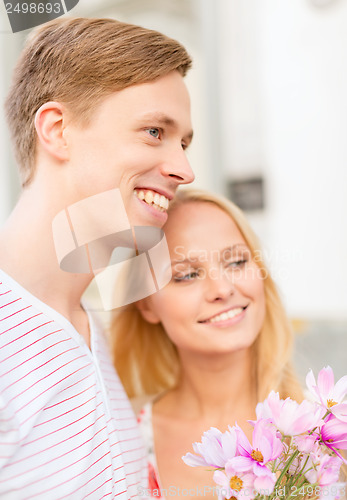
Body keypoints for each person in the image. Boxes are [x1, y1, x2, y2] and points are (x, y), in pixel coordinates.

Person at [0, 17, 194, 498]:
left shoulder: (90, 329)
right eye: (153, 131)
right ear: (57, 129)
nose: (185, 169)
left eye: (185, 142)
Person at [111, 188, 303, 498]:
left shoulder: (323, 432)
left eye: (237, 262)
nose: (222, 289)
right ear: (146, 305)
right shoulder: (116, 438)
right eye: (186, 275)